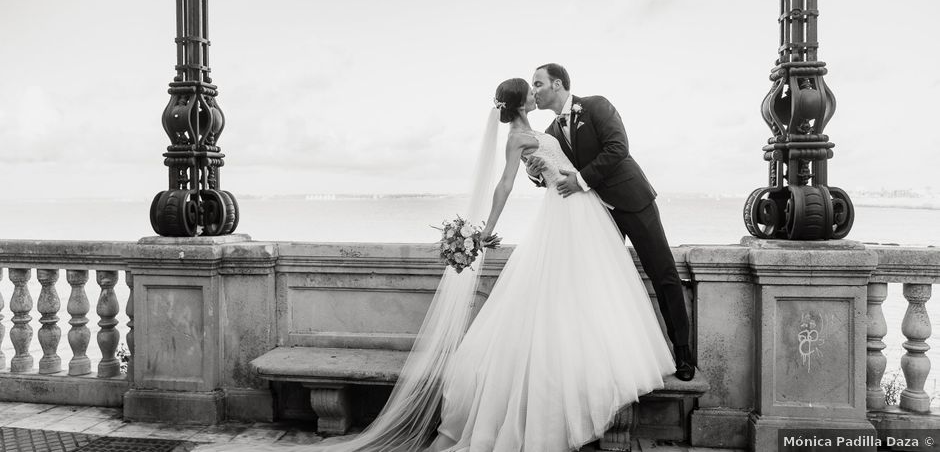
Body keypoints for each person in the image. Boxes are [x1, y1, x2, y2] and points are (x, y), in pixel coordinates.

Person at [198, 78, 675, 452]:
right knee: (562, 293)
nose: (534, 92)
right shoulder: (520, 137)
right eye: (528, 89)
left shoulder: (543, 131)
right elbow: (505, 185)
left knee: (588, 289)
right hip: (566, 214)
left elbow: (564, 163)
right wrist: (488, 225)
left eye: (537, 85)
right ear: (519, 101)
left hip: (579, 210)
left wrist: (547, 173)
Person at [524, 63, 695, 382]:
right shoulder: (549, 134)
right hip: (594, 215)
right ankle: (613, 358)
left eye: (538, 83)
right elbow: (555, 170)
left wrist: (582, 180)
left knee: (663, 273)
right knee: (601, 281)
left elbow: (618, 149)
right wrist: (536, 173)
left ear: (558, 84)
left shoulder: (596, 106)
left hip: (632, 201)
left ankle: (682, 353)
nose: (533, 90)